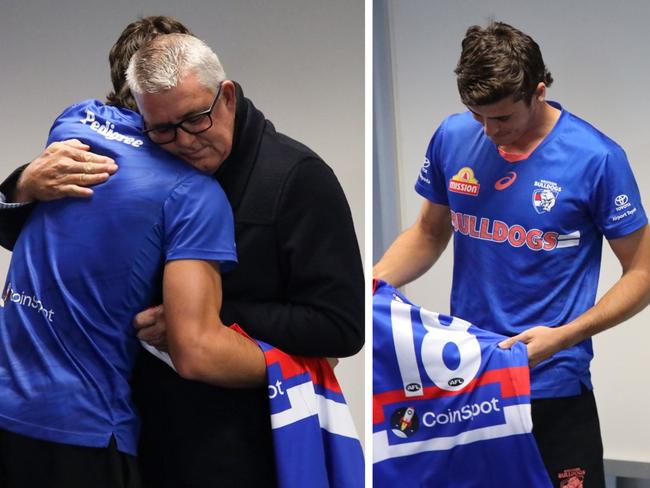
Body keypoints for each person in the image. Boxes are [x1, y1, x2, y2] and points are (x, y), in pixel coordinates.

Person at [0, 20, 364, 488]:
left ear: (224, 96)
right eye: (163, 128)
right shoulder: (137, 159)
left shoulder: (297, 179)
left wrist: (208, 318)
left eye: (195, 120)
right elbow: (59, 240)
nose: (185, 141)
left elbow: (340, 327)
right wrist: (22, 185)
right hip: (131, 423)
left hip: (230, 443)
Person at [373, 21, 650, 488]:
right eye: (477, 115)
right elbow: (427, 233)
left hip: (553, 383)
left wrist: (565, 336)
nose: (488, 131)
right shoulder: (453, 136)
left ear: (538, 92)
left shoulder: (597, 158)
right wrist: (372, 284)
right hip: (471, 380)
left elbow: (642, 272)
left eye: (501, 118)